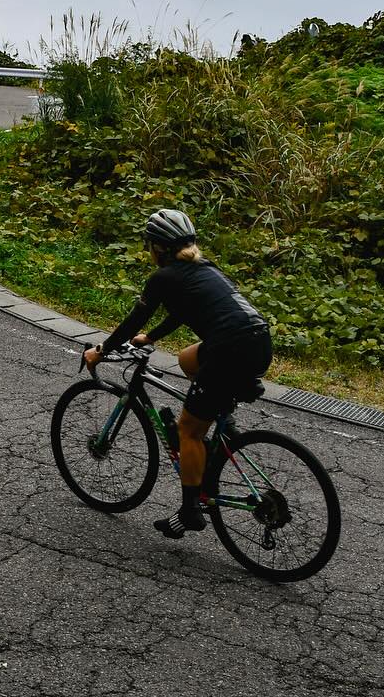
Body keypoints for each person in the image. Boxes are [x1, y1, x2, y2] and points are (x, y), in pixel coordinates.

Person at [82, 208, 271, 539]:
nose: (149, 252)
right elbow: (185, 311)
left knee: (189, 430)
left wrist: (101, 351)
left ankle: (189, 511)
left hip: (228, 350)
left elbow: (132, 321)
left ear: (159, 248)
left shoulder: (164, 277)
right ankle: (221, 426)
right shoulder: (204, 268)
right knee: (187, 359)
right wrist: (152, 338)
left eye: (149, 246)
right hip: (258, 342)